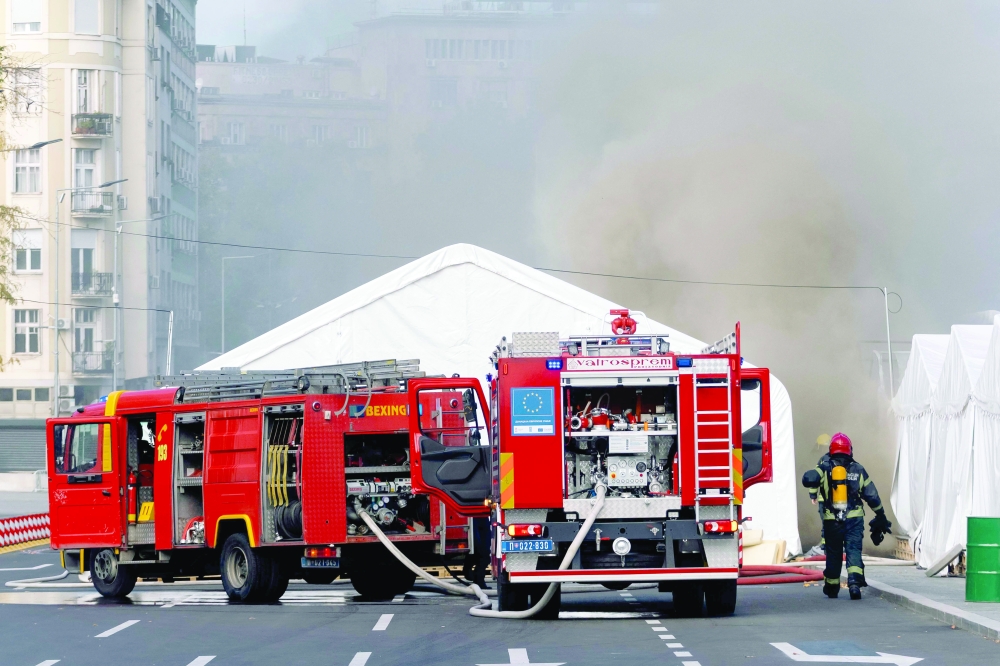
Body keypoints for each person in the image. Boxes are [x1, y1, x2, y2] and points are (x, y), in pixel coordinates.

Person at [801, 432, 891, 600]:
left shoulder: (825, 466)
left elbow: (812, 478)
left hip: (831, 520)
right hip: (854, 519)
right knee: (853, 550)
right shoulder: (858, 469)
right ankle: (855, 584)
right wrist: (880, 514)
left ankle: (832, 587)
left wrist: (812, 492)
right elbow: (871, 495)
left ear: (831, 450)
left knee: (833, 553)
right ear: (850, 450)